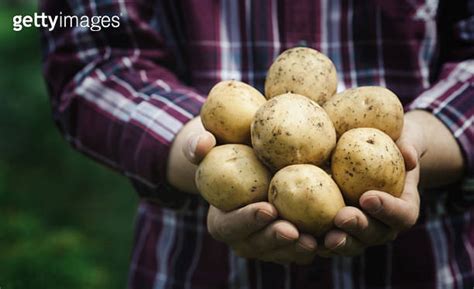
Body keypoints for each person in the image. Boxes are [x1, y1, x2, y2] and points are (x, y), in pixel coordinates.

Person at [40, 0, 473, 288]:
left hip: (425, 266)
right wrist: (195, 149)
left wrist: (424, 137)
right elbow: (92, 57)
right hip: (195, 267)